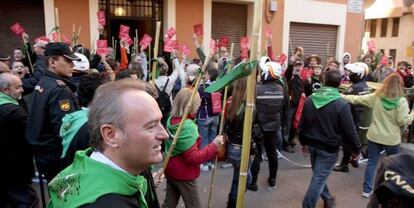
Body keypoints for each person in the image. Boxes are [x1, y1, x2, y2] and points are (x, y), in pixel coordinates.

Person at [48, 79, 168, 207]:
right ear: (111, 135)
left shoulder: (85, 168)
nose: (164, 134)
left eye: (160, 122)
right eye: (150, 126)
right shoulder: (107, 203)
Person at [342, 73, 414, 198]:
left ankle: (367, 190)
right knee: (393, 165)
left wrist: (341, 96)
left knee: (372, 162)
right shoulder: (401, 101)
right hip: (391, 139)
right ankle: (389, 191)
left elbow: (357, 99)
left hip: (374, 136)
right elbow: (403, 121)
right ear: (400, 86)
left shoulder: (377, 97)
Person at [299, 70, 360, 208]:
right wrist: (357, 149)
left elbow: (302, 124)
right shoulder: (341, 104)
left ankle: (327, 198)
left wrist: (303, 142)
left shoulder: (310, 99)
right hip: (328, 148)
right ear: (339, 84)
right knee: (319, 177)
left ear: (324, 81)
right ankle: (307, 205)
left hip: (313, 145)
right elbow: (350, 131)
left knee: (318, 176)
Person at [26, 42, 81, 181]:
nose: (72, 65)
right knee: (66, 198)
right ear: (52, 62)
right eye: (68, 61)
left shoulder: (44, 81)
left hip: (44, 154)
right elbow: (65, 130)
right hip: (56, 156)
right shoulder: (59, 89)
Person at [162, 88, 223, 208]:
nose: (198, 109)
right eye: (197, 106)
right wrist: (214, 146)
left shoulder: (171, 119)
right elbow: (193, 158)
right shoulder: (187, 126)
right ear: (189, 107)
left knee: (169, 204)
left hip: (171, 168)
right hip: (183, 173)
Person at [0, 73, 38, 208]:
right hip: (14, 168)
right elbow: (34, 130)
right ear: (5, 90)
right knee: (27, 201)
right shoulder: (14, 111)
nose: (22, 90)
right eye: (18, 88)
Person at [249, 59, 288, 190]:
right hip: (274, 126)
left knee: (257, 154)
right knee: (272, 153)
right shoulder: (280, 89)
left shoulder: (257, 89)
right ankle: (273, 179)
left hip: (258, 127)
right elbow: (284, 107)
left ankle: (253, 182)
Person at [334, 62, 371, 173]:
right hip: (359, 117)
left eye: (353, 73)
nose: (350, 75)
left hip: (352, 117)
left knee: (347, 142)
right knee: (353, 140)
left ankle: (345, 164)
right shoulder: (364, 85)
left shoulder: (354, 87)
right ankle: (354, 159)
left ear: (359, 74)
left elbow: (343, 99)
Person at [224, 77, 255, 208]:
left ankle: (233, 201)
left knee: (238, 179)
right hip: (241, 147)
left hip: (233, 146)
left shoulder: (232, 103)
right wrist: (253, 149)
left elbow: (226, 126)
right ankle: (233, 202)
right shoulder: (247, 108)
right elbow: (250, 133)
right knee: (244, 180)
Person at [198, 66, 220, 172]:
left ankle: (204, 162)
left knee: (204, 140)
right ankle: (212, 162)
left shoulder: (203, 88)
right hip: (215, 116)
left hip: (204, 117)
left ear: (210, 75)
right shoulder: (219, 85)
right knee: (213, 140)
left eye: (206, 74)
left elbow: (198, 101)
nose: (204, 76)